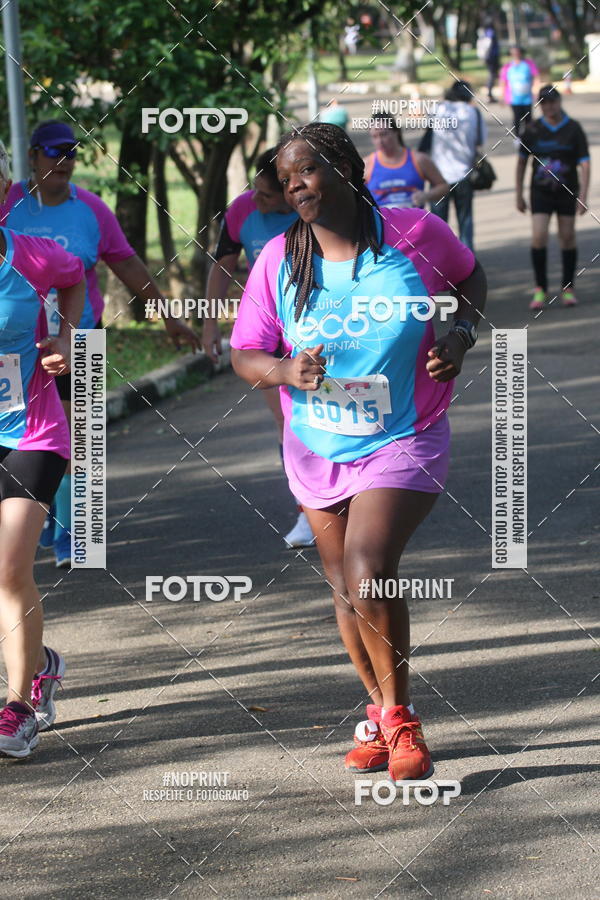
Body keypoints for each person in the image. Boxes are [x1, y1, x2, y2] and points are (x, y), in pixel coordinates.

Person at [230, 123, 486, 782]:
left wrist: (458, 336)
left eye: (307, 170)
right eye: (286, 178)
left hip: (406, 434)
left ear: (346, 168)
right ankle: (376, 712)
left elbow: (470, 278)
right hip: (317, 444)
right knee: (345, 588)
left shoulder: (416, 234)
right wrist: (285, 373)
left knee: (369, 567)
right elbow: (245, 353)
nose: (295, 185)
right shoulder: (278, 262)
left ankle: (400, 722)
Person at [1, 120, 199, 567]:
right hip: (16, 349)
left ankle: (76, 538)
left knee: (83, 441)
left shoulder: (91, 210)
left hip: (78, 341)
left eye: (71, 153)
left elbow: (127, 266)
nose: (64, 162)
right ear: (32, 157)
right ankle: (40, 517)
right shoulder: (8, 201)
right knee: (31, 441)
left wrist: (167, 318)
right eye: (54, 153)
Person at [0, 139, 86, 757]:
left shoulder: (31, 257)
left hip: (31, 431)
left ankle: (19, 705)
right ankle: (42, 660)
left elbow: (77, 278)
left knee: (8, 570)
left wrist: (63, 334)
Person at [202, 149, 314, 548]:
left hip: (322, 326)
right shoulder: (241, 211)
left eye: (267, 195)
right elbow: (223, 265)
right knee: (289, 423)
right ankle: (307, 511)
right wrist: (210, 322)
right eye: (256, 191)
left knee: (336, 414)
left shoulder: (310, 208)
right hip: (271, 334)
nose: (258, 200)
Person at [516, 85, 590, 309]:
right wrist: (518, 193)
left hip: (568, 192)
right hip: (540, 192)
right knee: (539, 236)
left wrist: (584, 196)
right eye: (544, 103)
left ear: (559, 102)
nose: (548, 106)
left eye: (552, 101)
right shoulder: (532, 129)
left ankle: (568, 288)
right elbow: (521, 162)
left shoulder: (573, 129)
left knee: (567, 237)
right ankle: (540, 289)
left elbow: (585, 164)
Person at [430, 80, 487, 251]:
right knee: (465, 223)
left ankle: (439, 266)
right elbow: (480, 141)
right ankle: (468, 266)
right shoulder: (474, 113)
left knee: (438, 228)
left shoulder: (438, 109)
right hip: (464, 174)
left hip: (438, 176)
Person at [364, 120, 448, 210]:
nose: (380, 141)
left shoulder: (418, 159)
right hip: (381, 222)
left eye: (384, 134)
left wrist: (426, 196)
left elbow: (443, 186)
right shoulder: (367, 164)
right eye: (374, 137)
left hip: (414, 221)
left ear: (396, 132)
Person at [500, 46, 539, 140]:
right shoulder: (507, 67)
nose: (516, 55)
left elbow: (536, 77)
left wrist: (537, 91)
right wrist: (502, 97)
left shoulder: (528, 64)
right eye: (513, 53)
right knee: (517, 118)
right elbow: (503, 82)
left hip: (527, 98)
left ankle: (529, 138)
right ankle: (517, 138)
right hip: (514, 99)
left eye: (517, 52)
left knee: (528, 119)